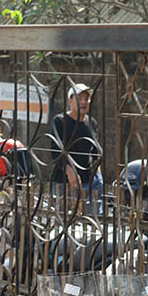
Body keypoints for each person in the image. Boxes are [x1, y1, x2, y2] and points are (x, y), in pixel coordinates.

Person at [51, 83, 103, 212]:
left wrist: (98, 175)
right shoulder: (60, 121)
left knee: (89, 223)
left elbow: (96, 152)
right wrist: (69, 171)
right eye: (79, 99)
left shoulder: (91, 122)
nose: (83, 102)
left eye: (86, 99)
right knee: (63, 220)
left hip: (89, 181)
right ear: (70, 101)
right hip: (65, 182)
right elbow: (56, 151)